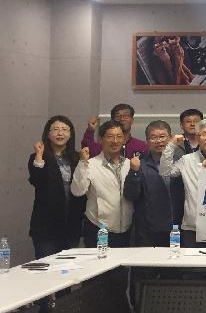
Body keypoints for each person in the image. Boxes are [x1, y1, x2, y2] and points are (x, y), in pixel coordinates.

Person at [160, 119, 206, 247]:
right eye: (204, 134)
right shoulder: (186, 160)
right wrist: (171, 145)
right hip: (192, 227)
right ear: (197, 137)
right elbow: (165, 171)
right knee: (192, 260)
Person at [28, 116, 86, 258]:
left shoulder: (77, 157)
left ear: (70, 134)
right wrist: (39, 156)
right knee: (48, 267)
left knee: (69, 268)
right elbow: (37, 181)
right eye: (55, 129)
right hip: (46, 226)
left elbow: (83, 187)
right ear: (48, 134)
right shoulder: (37, 156)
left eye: (64, 129)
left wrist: (84, 162)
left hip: (71, 225)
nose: (60, 133)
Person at [71, 120, 133, 247]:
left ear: (124, 139)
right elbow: (77, 191)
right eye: (110, 136)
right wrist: (82, 163)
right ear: (100, 139)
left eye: (119, 136)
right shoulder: (90, 164)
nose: (115, 141)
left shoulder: (130, 164)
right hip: (98, 229)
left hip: (126, 230)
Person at [123, 120, 179, 246]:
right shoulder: (140, 165)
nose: (158, 141)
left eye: (162, 136)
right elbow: (130, 195)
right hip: (149, 232)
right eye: (153, 137)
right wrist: (134, 172)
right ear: (147, 141)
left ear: (170, 138)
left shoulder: (181, 162)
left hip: (178, 229)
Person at [81, 103, 148, 159]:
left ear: (132, 121)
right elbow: (87, 151)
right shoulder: (104, 146)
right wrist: (90, 130)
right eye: (118, 116)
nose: (122, 119)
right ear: (112, 121)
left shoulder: (141, 147)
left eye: (126, 116)